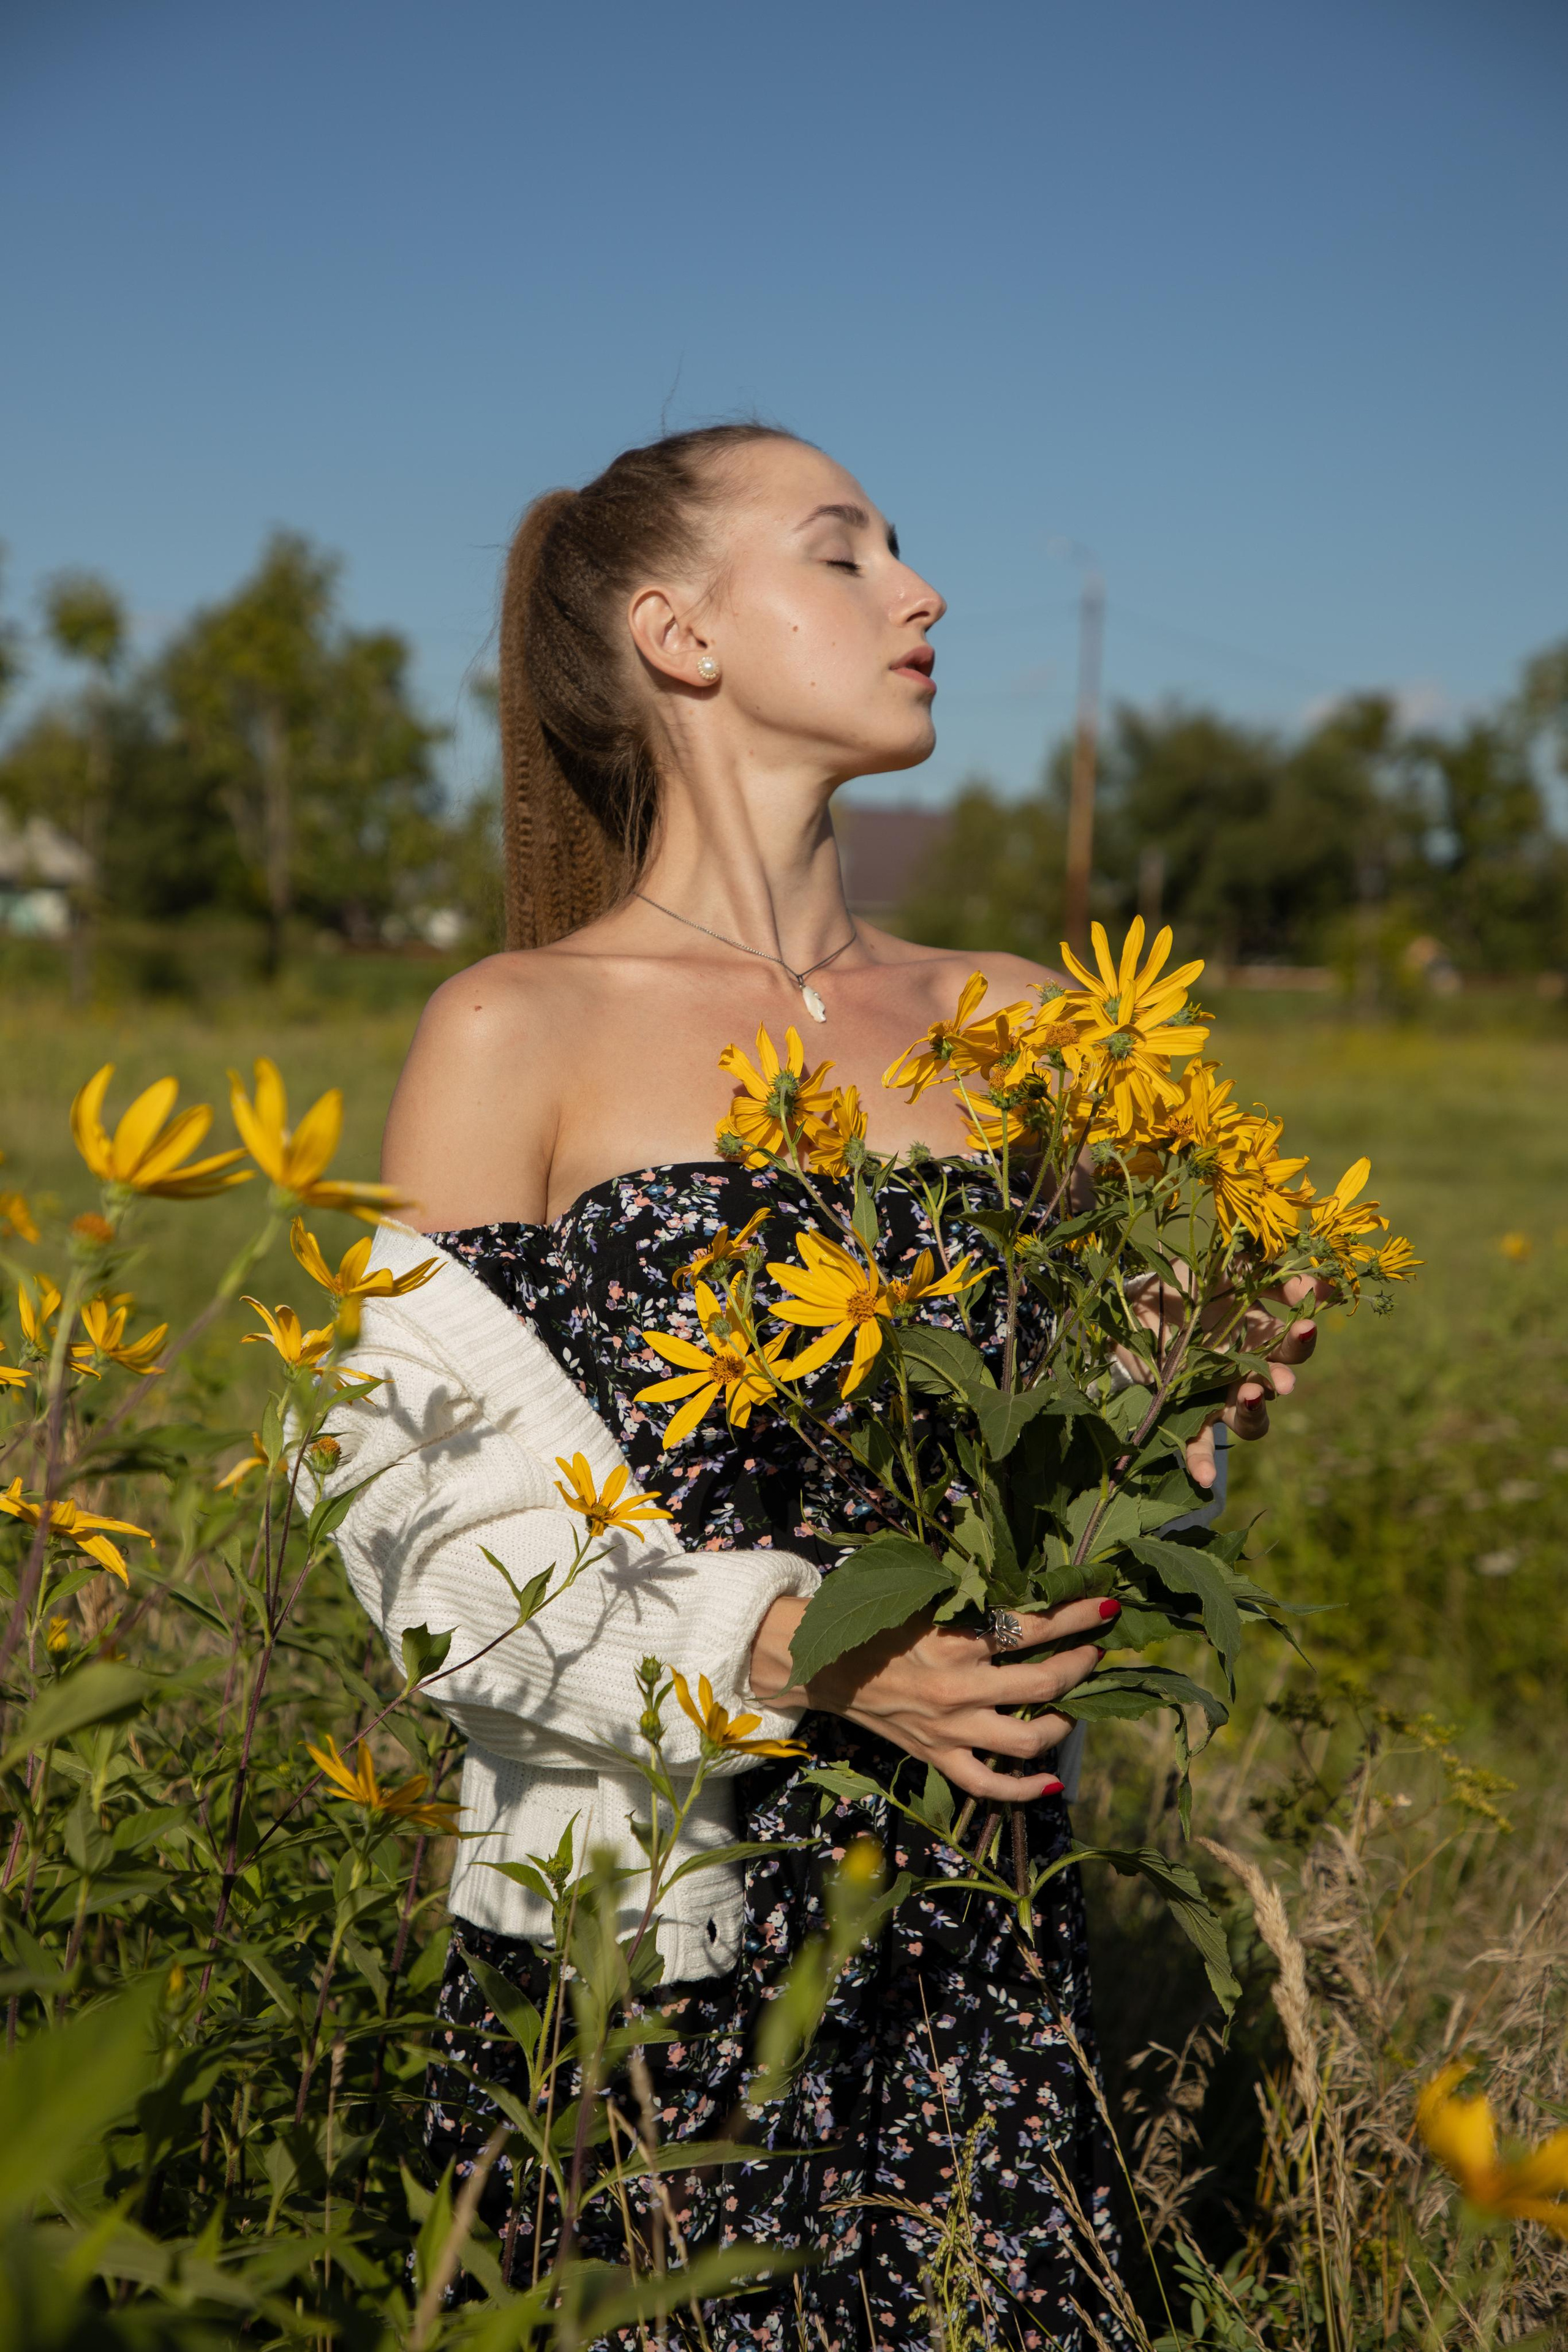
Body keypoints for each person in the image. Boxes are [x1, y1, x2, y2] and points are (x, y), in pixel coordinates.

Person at [350, 424, 1317, 2349]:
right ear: (676, 633)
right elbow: (427, 1527)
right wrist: (801, 1643)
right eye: (846, 553)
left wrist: (1184, 1397)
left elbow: (1090, 1475)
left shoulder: (1034, 1023)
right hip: (645, 1929)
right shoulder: (510, 1029)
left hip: (982, 1922)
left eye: (905, 550)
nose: (922, 592)